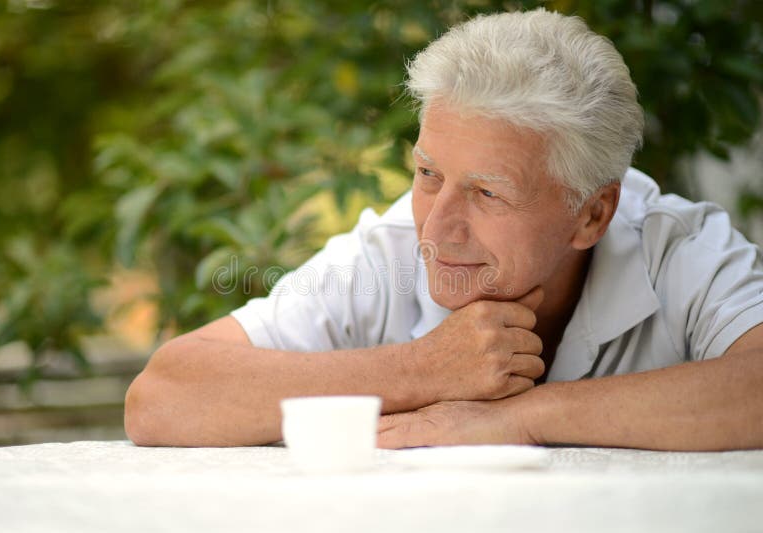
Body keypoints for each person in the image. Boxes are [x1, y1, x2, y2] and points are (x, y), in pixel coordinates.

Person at [124, 8, 763, 450]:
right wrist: (422, 369)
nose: (439, 226)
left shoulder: (676, 248)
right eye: (429, 173)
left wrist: (524, 418)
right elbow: (162, 398)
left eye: (488, 191)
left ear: (592, 214)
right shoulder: (387, 251)